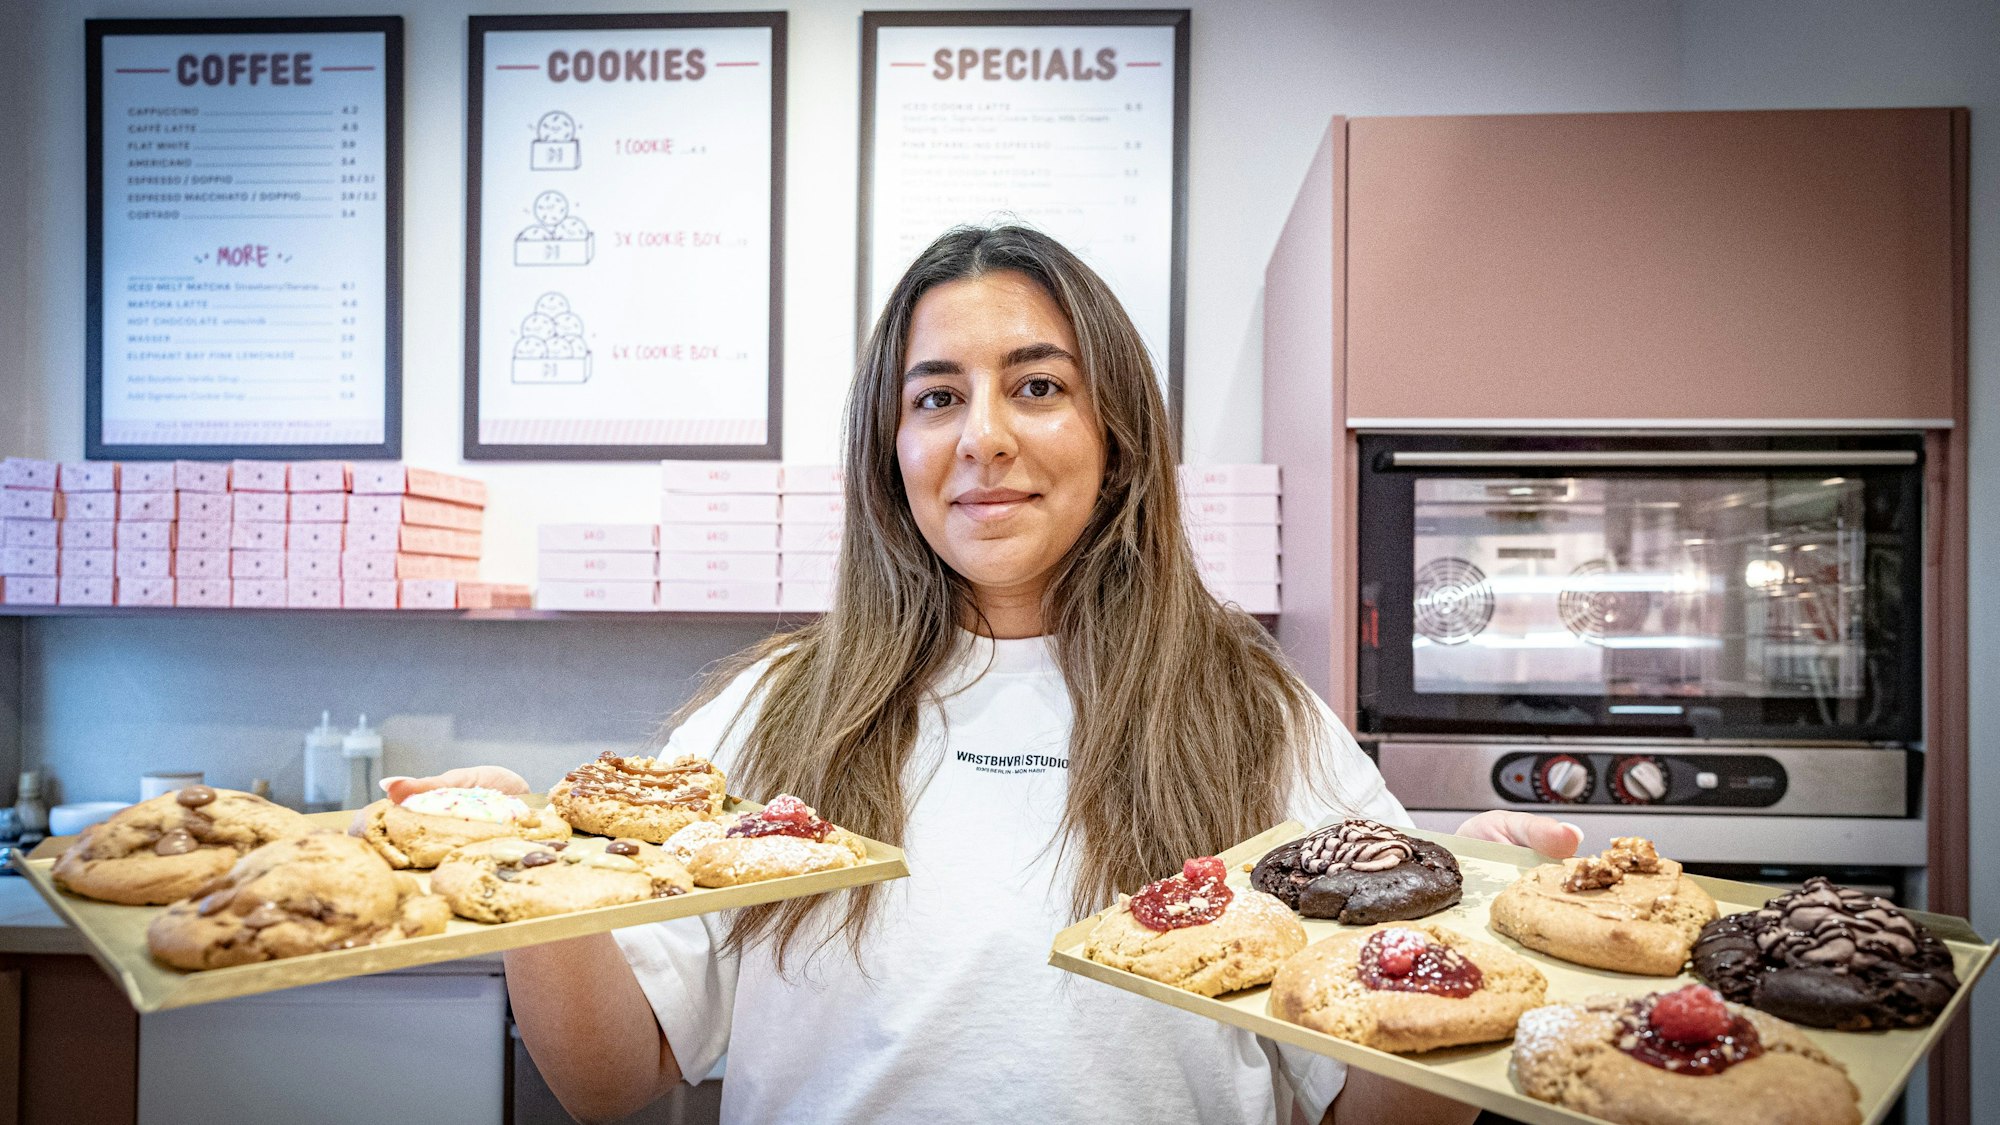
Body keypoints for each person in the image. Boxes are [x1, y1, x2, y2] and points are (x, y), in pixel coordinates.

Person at [394, 226, 1579, 1124]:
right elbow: (613, 1080)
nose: (983, 439)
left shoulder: (1252, 717)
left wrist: (1475, 956)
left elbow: (1359, 1111)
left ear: (1115, 436)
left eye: (1037, 385)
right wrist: (520, 870)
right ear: (889, 450)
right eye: (936, 398)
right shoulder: (765, 718)